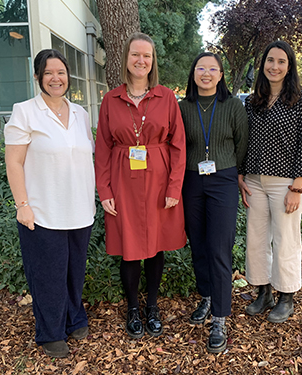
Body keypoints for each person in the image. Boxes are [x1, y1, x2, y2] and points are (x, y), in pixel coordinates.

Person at [94, 33, 186, 339]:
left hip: (158, 181)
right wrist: (104, 190)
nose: (141, 61)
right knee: (130, 248)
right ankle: (133, 307)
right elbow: (103, 150)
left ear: (153, 61)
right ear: (126, 58)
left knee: (156, 245)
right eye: (135, 55)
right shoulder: (111, 99)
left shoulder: (167, 98)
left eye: (147, 56)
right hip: (123, 182)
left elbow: (178, 146)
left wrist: (174, 187)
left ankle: (153, 306)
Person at [4, 49, 95, 357]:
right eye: (48, 73)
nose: (56, 78)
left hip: (80, 209)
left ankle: (74, 318)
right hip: (43, 211)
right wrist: (22, 205)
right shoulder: (26, 112)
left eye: (61, 72)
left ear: (68, 76)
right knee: (47, 275)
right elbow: (14, 163)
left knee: (74, 272)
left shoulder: (81, 114)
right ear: (37, 77)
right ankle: (50, 332)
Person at [238, 41, 302, 324]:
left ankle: (286, 297)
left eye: (281, 61)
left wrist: (297, 186)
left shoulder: (299, 100)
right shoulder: (252, 101)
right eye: (270, 60)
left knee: (286, 241)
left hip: (286, 183)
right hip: (255, 180)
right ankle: (263, 292)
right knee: (257, 240)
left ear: (289, 66)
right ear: (263, 65)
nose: (274, 66)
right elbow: (245, 141)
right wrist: (240, 174)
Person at [179, 52, 248, 353]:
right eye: (200, 68)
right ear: (193, 73)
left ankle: (220, 316)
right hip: (192, 181)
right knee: (198, 245)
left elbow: (242, 144)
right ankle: (206, 297)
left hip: (223, 181)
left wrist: (240, 177)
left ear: (221, 75)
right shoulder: (182, 107)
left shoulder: (233, 106)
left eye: (212, 69)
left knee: (219, 249)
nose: (206, 73)